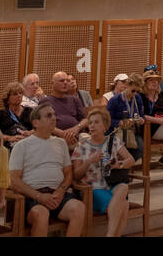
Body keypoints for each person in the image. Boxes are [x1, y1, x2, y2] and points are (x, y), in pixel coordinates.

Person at [9, 102, 85, 237]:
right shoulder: (21, 146)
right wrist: (39, 196)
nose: (54, 118)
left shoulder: (61, 143)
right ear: (35, 122)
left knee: (78, 208)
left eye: (55, 115)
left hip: (57, 194)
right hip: (31, 197)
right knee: (41, 214)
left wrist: (61, 191)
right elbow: (14, 181)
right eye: (49, 115)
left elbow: (68, 174)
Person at [72, 107, 134, 237]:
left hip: (112, 184)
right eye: (90, 123)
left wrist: (119, 164)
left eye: (96, 122)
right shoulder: (82, 145)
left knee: (123, 187)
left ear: (105, 126)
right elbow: (76, 174)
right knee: (124, 205)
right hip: (93, 189)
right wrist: (89, 161)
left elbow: (131, 160)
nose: (92, 126)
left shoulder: (113, 141)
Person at [106, 72, 147, 161]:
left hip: (132, 132)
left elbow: (142, 115)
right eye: (133, 90)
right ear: (127, 85)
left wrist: (141, 120)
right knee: (119, 149)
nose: (135, 93)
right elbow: (107, 120)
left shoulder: (138, 98)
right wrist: (119, 122)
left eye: (137, 91)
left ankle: (125, 167)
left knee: (139, 149)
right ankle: (121, 168)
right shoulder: (115, 100)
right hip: (116, 131)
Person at [46, 71, 89, 146]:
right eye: (62, 81)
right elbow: (44, 124)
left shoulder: (75, 99)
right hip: (55, 137)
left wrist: (76, 128)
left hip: (77, 135)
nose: (65, 83)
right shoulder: (46, 101)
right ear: (52, 84)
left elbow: (85, 119)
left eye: (67, 80)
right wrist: (63, 134)